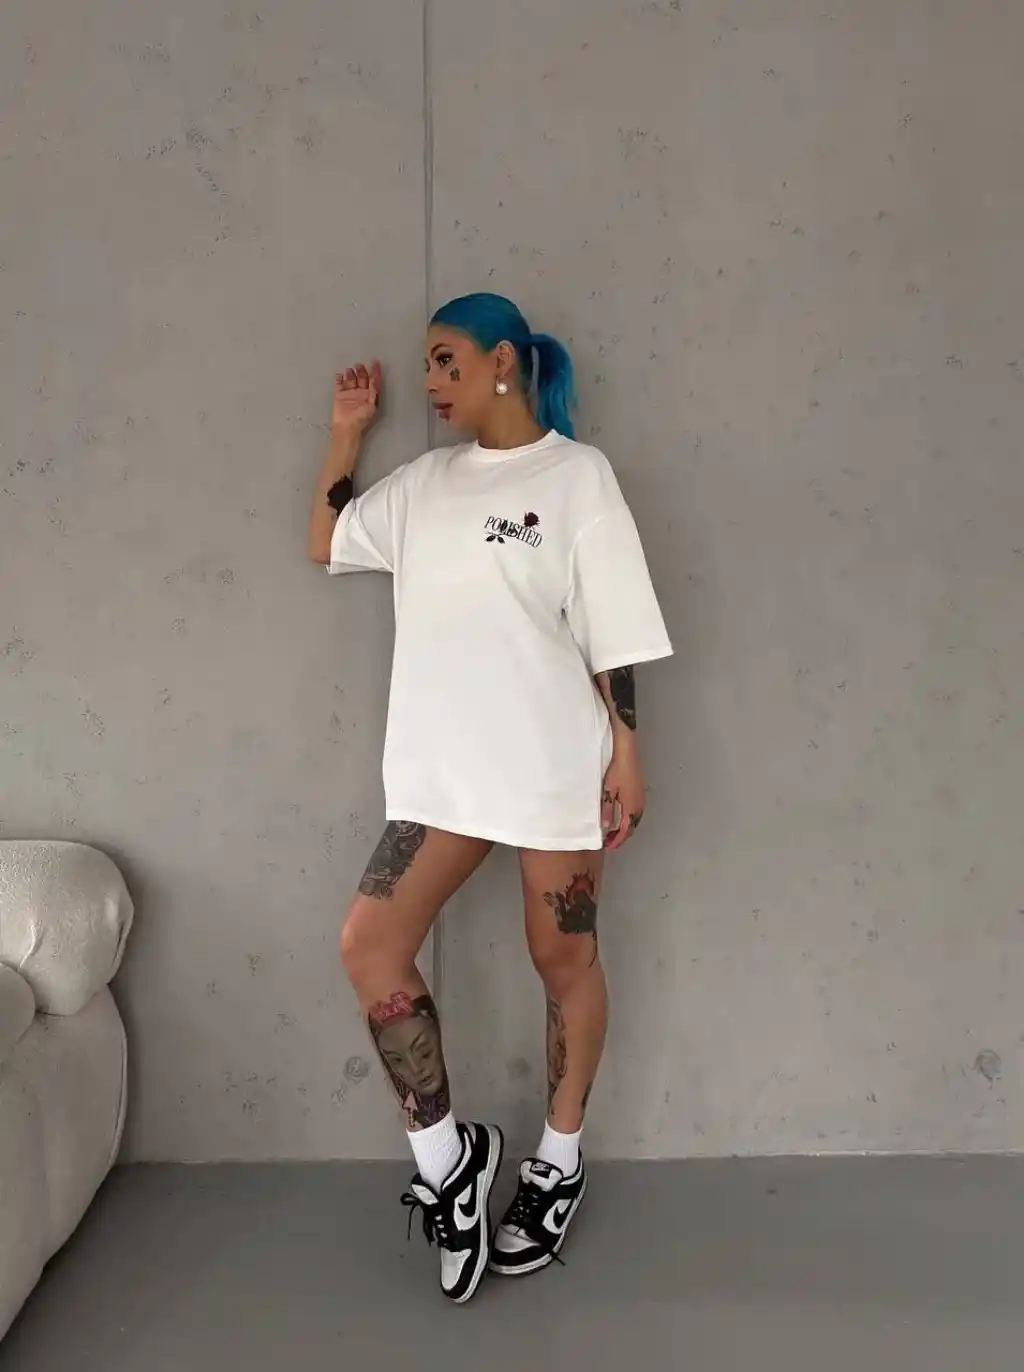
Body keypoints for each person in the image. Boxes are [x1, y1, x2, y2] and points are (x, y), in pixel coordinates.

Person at [307, 293, 672, 1304]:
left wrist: (627, 752)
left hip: (553, 765)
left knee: (562, 959)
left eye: (445, 360)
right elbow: (328, 540)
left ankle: (558, 1159)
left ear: (502, 359)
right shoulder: (423, 486)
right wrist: (346, 433)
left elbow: (612, 627)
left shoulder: (576, 476)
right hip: (444, 776)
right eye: (426, 365)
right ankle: (449, 1162)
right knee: (368, 944)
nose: (430, 382)